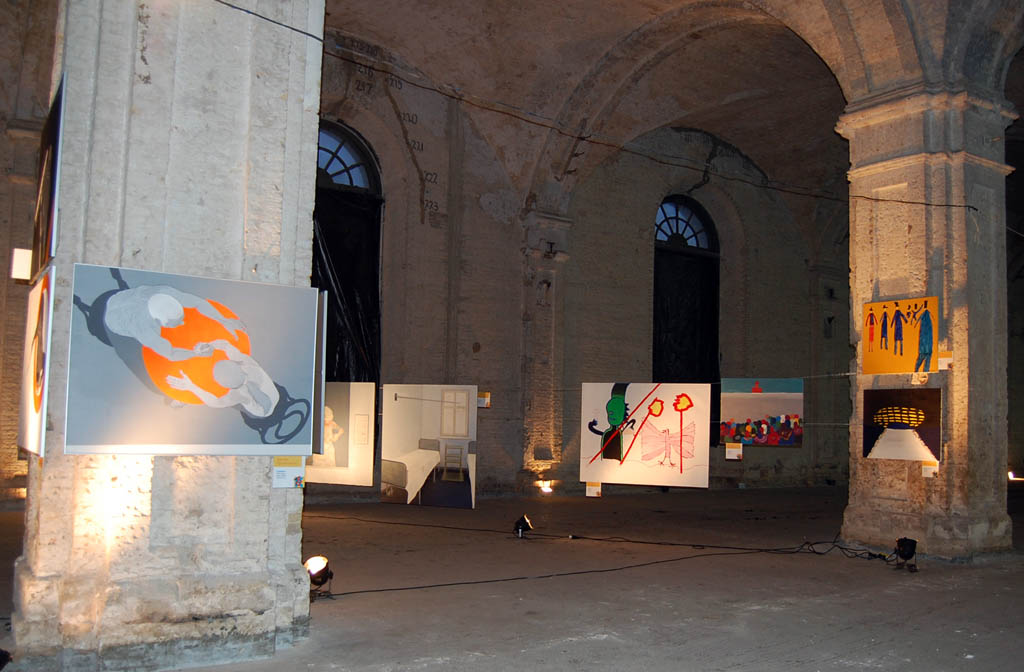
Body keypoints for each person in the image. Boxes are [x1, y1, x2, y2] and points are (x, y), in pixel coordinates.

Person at [166, 338, 279, 417]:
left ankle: (184, 398)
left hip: (263, 411)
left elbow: (216, 402)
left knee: (236, 401)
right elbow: (225, 345)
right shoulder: (246, 363)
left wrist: (192, 387)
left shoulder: (239, 394)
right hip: (267, 397)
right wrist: (208, 346)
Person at [912, 299, 934, 372]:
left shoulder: (925, 317)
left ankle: (919, 371)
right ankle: (918, 371)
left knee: (925, 355)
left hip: (925, 345)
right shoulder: (925, 317)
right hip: (924, 345)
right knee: (924, 355)